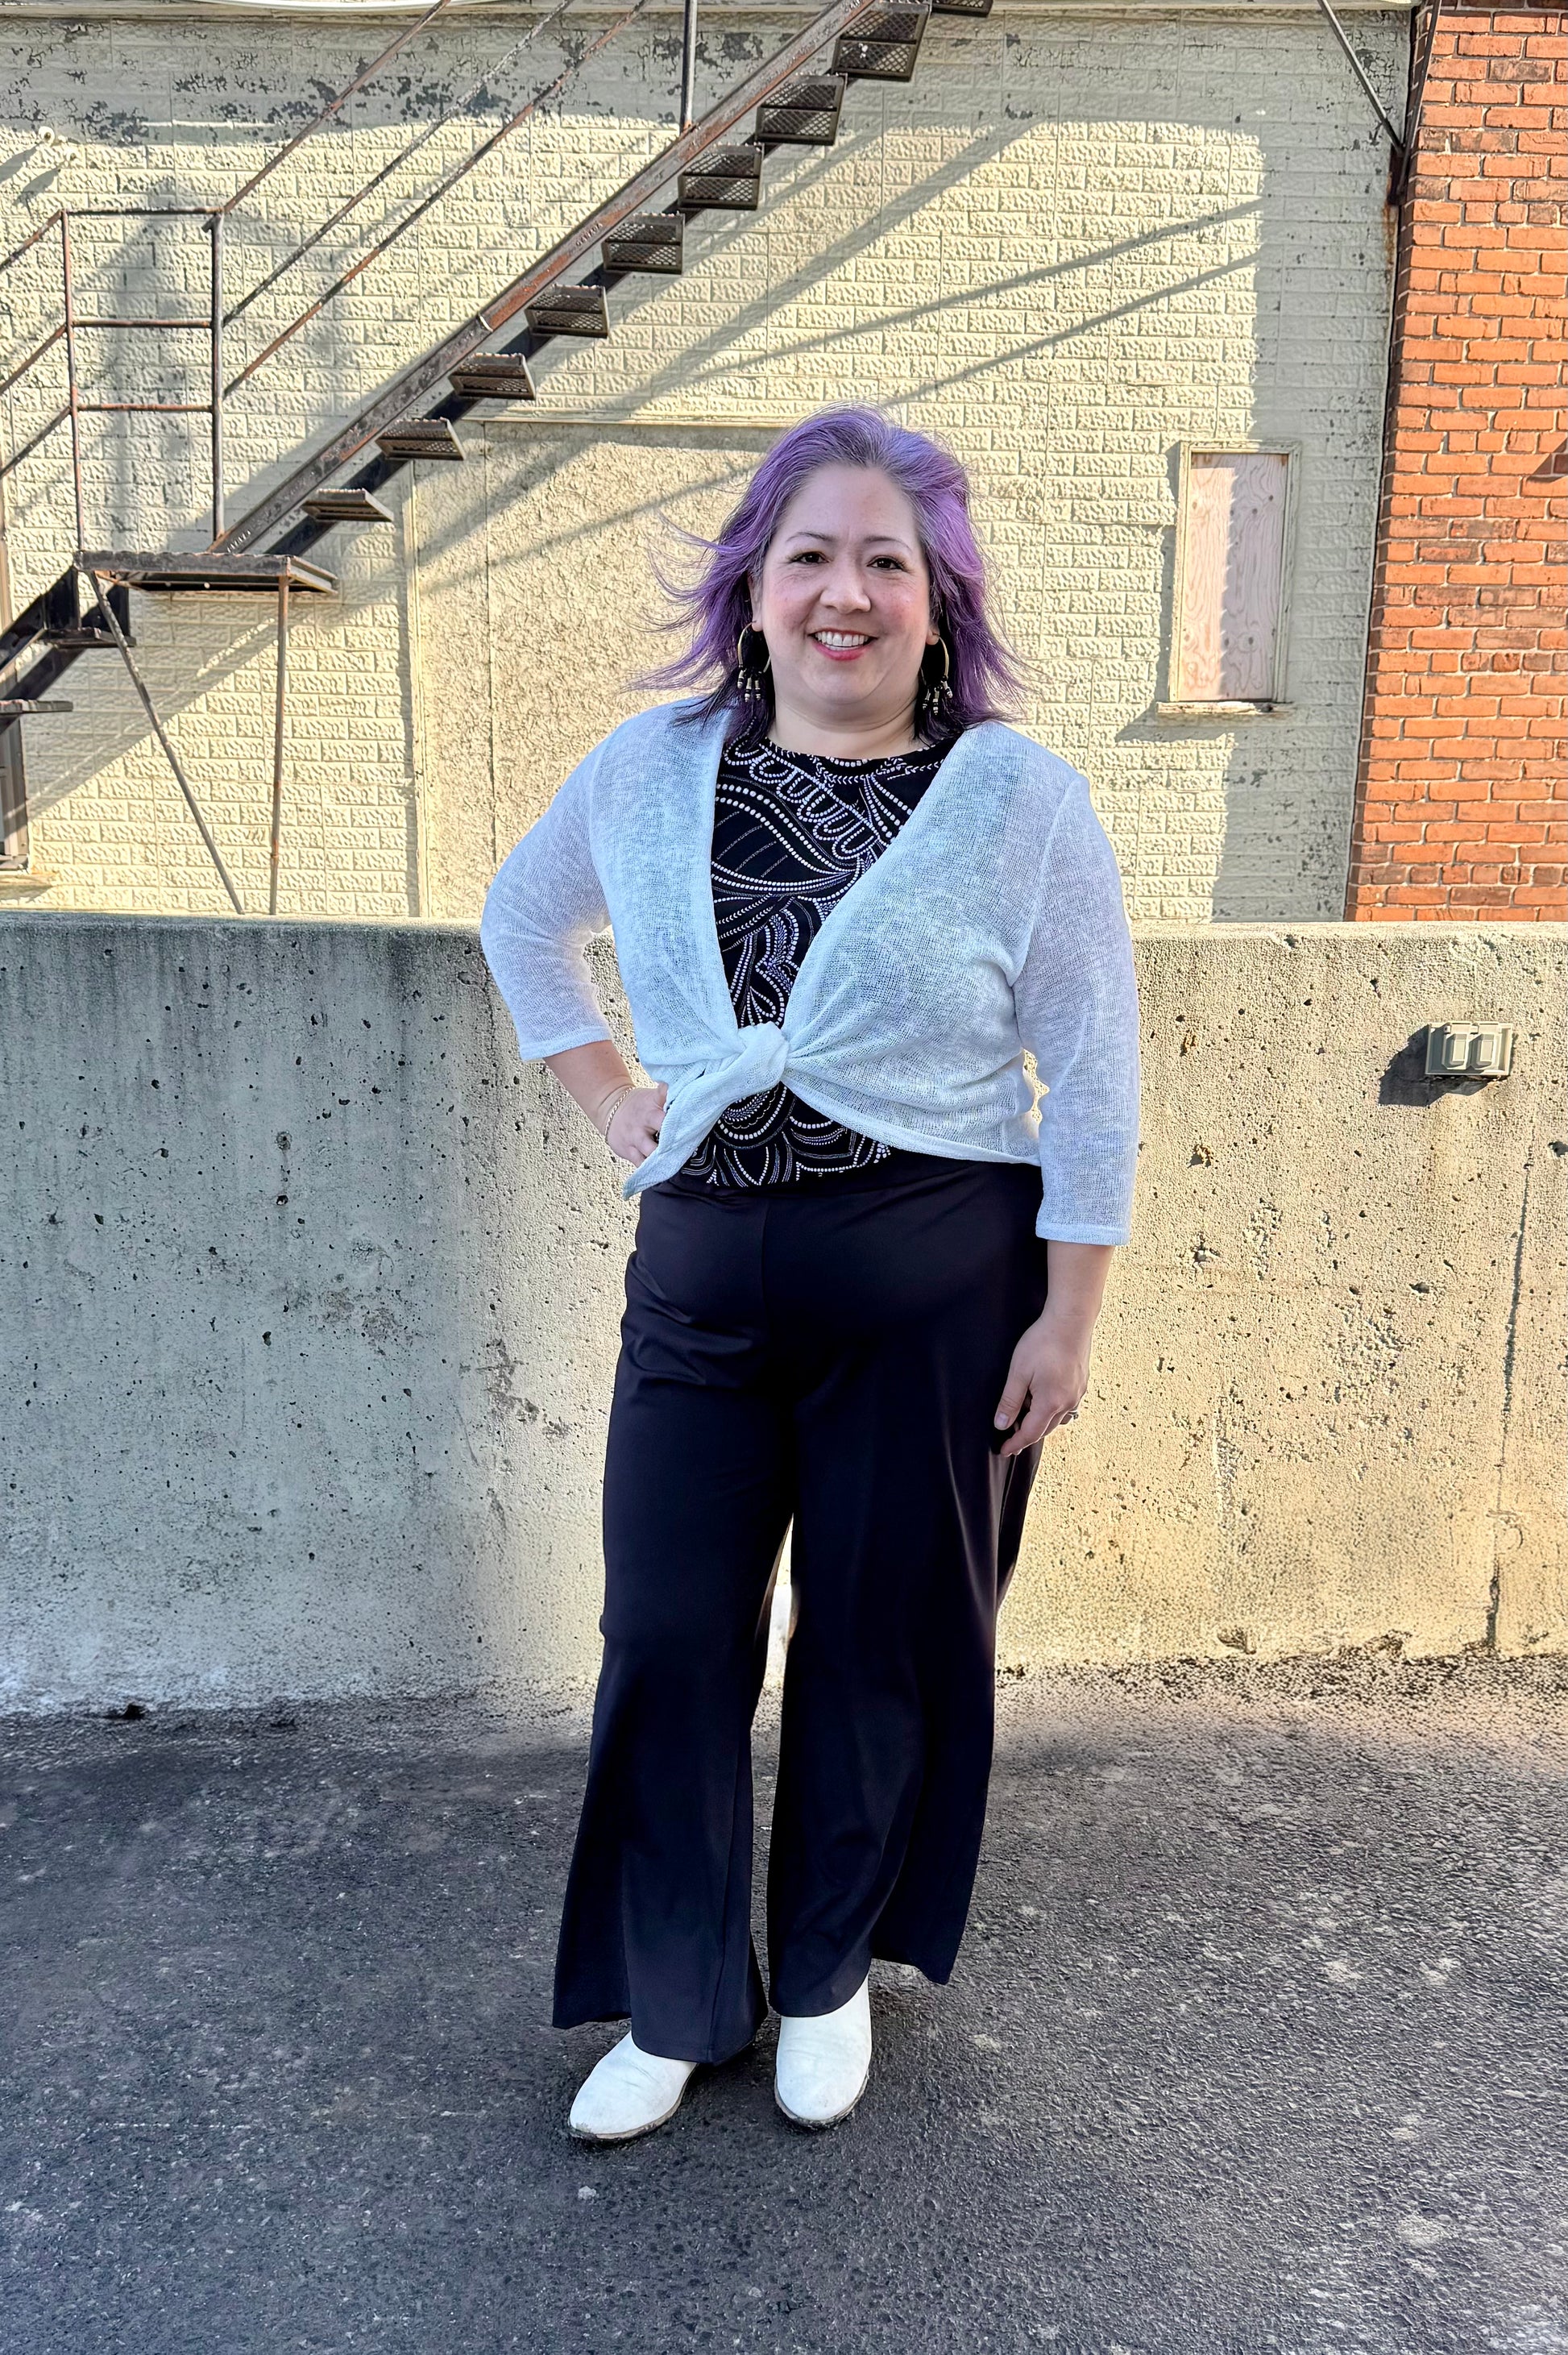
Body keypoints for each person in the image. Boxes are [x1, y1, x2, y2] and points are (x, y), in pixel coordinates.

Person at [480, 406, 1140, 2144]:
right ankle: (681, 1995)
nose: (846, 594)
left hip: (939, 1292)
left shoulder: (1014, 801)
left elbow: (1095, 1073)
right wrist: (606, 1086)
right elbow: (518, 918)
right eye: (810, 558)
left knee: (880, 1641)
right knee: (672, 1634)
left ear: (938, 602)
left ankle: (828, 1972)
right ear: (753, 592)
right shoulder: (647, 766)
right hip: (701, 1274)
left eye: (886, 563)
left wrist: (1067, 1322)